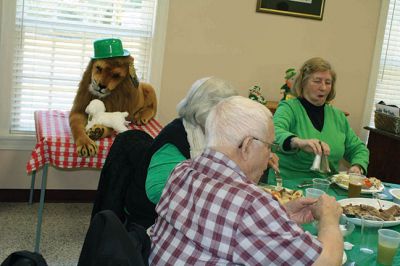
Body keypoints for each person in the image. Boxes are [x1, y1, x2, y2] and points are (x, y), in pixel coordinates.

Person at [149, 96, 343, 265]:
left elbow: (221, 226)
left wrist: (280, 215)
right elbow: (325, 262)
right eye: (269, 147)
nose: (269, 157)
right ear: (248, 145)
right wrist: (329, 218)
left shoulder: (182, 171)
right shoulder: (251, 204)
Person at [92, 77, 278, 229]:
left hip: (196, 215)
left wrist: (259, 157)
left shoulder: (218, 133)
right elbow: (160, 193)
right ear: (207, 112)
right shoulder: (176, 138)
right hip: (155, 222)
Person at [268, 57, 369, 186]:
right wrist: (298, 142)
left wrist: (357, 166)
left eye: (328, 82)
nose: (323, 87)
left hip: (327, 187)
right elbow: (274, 132)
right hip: (289, 186)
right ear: (303, 82)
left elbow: (358, 148)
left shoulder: (338, 117)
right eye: (317, 81)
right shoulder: (288, 108)